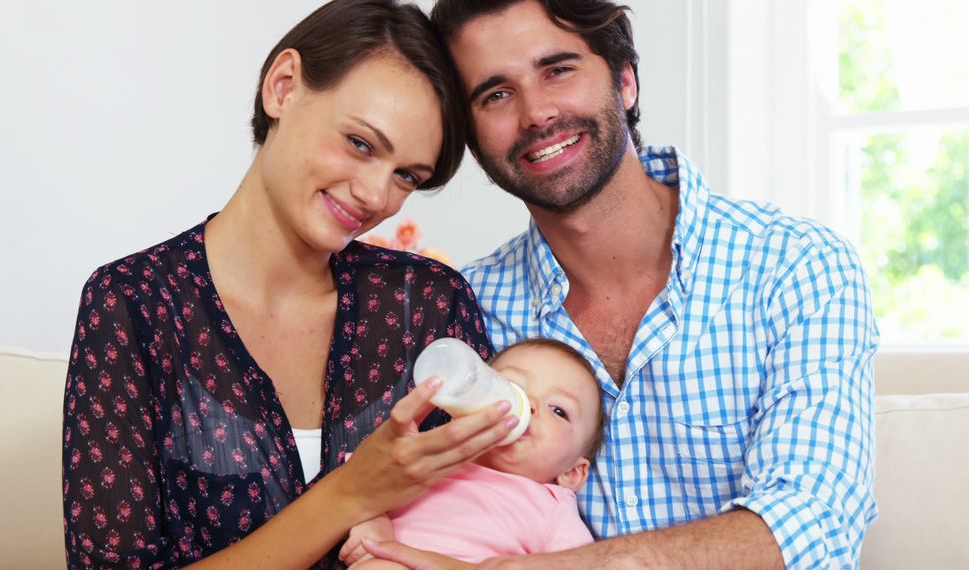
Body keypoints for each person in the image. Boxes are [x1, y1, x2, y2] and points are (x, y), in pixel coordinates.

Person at [362, 0, 880, 568]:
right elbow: (406, 494)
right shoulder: (466, 307)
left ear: (625, 80)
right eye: (496, 94)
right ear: (473, 136)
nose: (536, 113)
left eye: (558, 69)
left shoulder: (796, 267)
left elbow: (811, 522)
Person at [60, 1, 522, 568]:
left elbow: (503, 508)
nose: (376, 196)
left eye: (407, 176)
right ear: (282, 88)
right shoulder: (133, 304)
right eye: (360, 143)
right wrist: (352, 492)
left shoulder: (426, 305)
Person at [339, 338, 604, 567]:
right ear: (461, 411)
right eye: (512, 388)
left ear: (572, 473)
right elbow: (360, 485)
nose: (529, 405)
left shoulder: (551, 509)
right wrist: (374, 522)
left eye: (559, 410)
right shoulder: (425, 458)